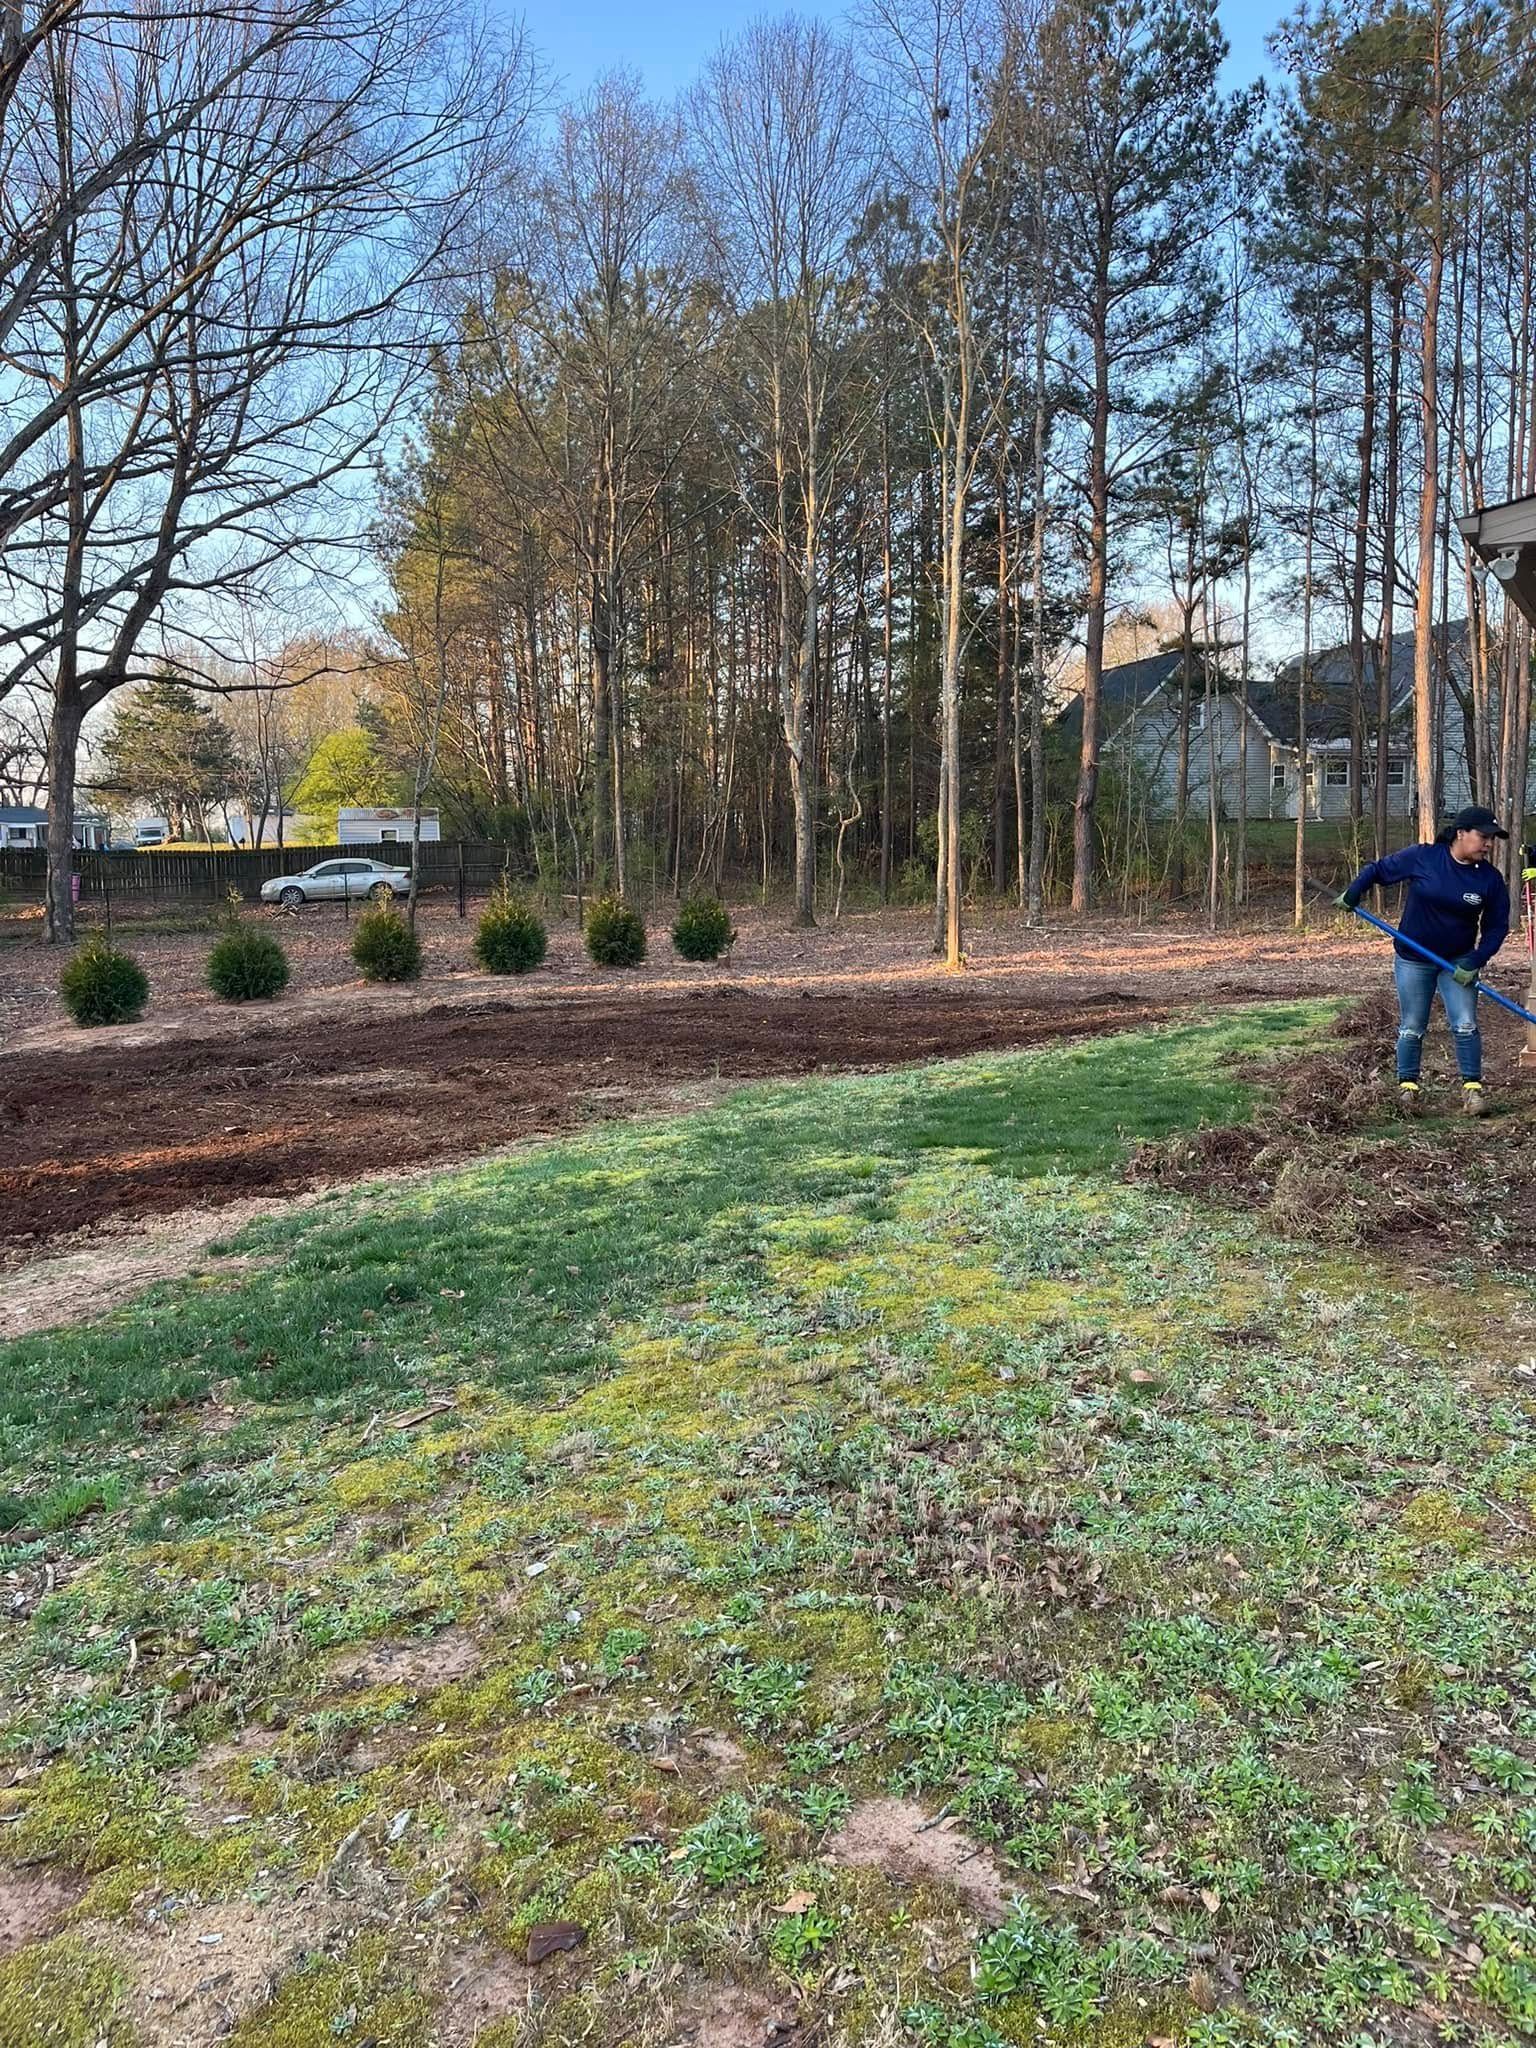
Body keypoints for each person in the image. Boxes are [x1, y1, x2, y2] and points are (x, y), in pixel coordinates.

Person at [1336, 804, 1511, 1117]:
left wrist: (1476, 959)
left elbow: (1497, 927)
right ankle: (1408, 1089)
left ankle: (1472, 1092)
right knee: (1413, 1026)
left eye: (1492, 839)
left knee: (1466, 1024)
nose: (1489, 844)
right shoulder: (1424, 857)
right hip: (1413, 958)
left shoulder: (1489, 880)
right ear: (1461, 833)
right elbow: (1378, 871)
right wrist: (1354, 892)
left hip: (1458, 963)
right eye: (1484, 836)